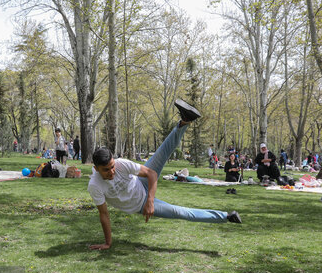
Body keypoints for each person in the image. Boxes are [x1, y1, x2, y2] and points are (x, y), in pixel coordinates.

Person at [87, 98, 242, 251]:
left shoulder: (122, 164)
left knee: (162, 152)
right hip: (138, 205)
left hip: (142, 182)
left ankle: (185, 121)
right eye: (106, 170)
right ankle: (226, 216)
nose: (112, 172)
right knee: (180, 212)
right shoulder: (95, 186)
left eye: (112, 167)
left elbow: (151, 174)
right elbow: (104, 214)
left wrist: (151, 201)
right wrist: (108, 243)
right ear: (96, 169)